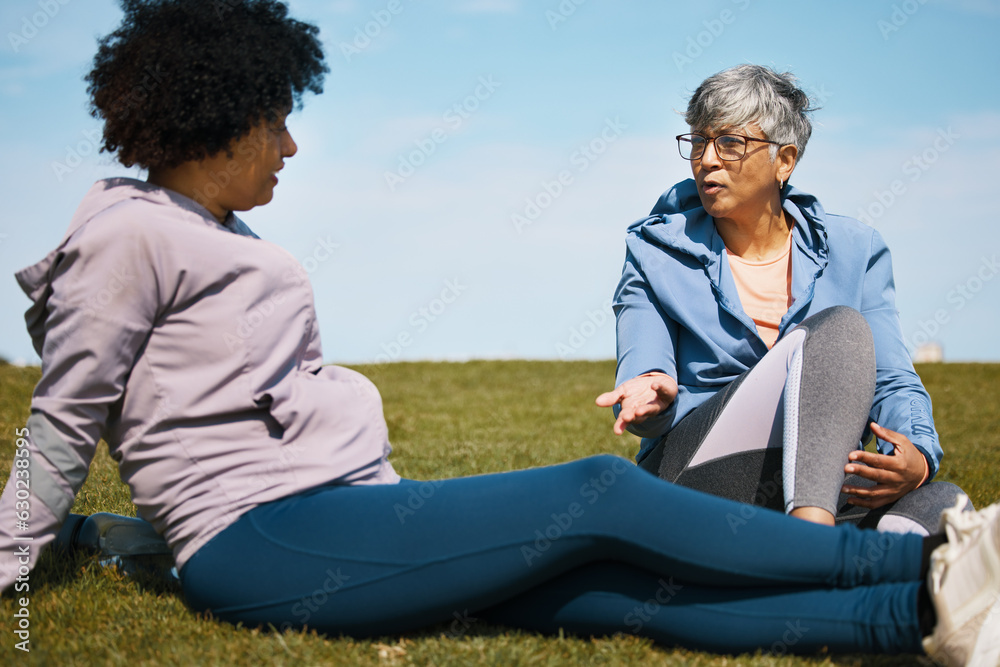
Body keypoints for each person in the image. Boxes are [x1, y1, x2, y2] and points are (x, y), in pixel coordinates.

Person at [0, 3, 997, 665]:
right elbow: (65, 415)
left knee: (606, 593)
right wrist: (13, 562)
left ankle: (913, 624)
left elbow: (185, 411)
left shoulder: (208, 231)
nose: (291, 143)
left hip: (334, 513)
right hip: (266, 535)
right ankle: (926, 566)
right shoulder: (128, 232)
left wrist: (119, 536)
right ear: (212, 121)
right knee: (596, 491)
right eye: (275, 121)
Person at [597, 64, 966, 534]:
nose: (707, 159)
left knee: (942, 506)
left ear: (784, 160)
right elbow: (644, 366)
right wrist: (651, 393)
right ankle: (810, 544)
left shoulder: (857, 250)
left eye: (730, 143)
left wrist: (915, 455)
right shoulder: (653, 253)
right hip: (694, 481)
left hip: (818, 479)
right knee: (839, 332)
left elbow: (893, 379)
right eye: (698, 141)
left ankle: (821, 573)